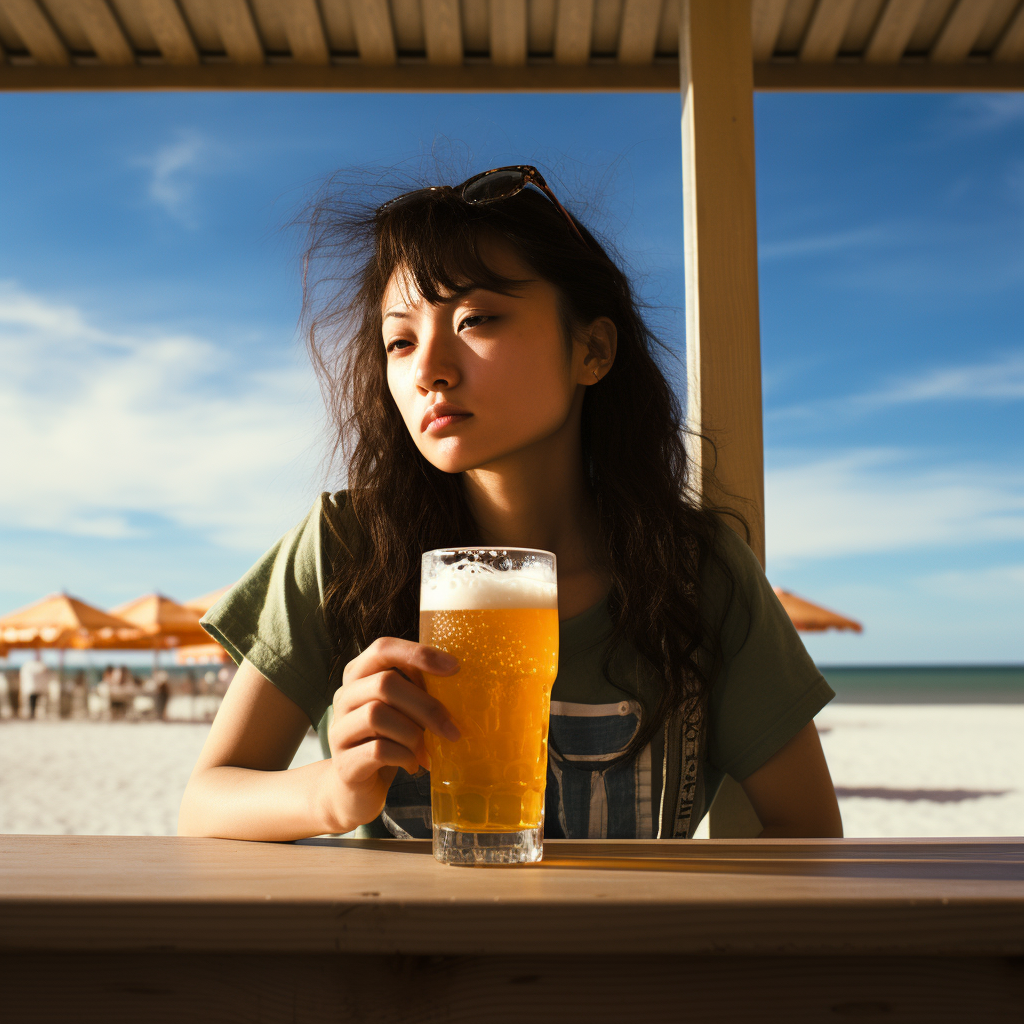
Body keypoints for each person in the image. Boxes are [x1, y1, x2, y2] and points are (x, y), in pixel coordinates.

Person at [179, 166, 843, 843]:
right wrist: (332, 792)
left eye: (478, 319)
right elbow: (204, 805)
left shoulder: (696, 573)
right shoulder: (345, 546)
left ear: (592, 349)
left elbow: (808, 830)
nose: (427, 368)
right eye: (400, 339)